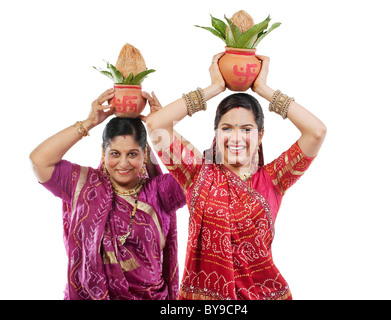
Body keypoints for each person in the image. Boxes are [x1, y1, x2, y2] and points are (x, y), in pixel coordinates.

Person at [145, 53, 327, 300]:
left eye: (247, 129)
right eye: (227, 128)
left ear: (260, 135)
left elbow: (316, 132)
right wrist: (214, 87)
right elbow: (156, 124)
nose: (236, 137)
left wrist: (263, 88)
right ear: (216, 133)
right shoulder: (197, 174)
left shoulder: (274, 180)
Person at [29, 89, 186, 300]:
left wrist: (163, 129)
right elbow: (39, 160)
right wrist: (90, 122)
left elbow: (204, 173)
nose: (123, 163)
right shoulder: (81, 184)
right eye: (115, 153)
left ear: (145, 153)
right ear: (103, 153)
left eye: (132, 154)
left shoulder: (160, 192)